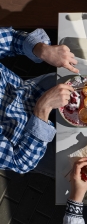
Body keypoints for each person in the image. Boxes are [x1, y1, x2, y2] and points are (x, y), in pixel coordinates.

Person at [0, 27, 78, 175]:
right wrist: (43, 109)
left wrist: (41, 49)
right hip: (32, 145)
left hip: (33, 91)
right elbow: (20, 162)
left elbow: (10, 38)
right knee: (76, 168)